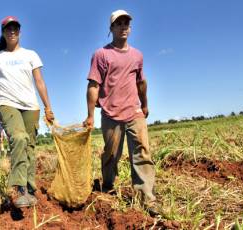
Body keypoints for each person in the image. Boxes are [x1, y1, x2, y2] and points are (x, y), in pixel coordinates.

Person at [83, 10, 158, 216]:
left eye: (126, 23)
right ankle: (107, 186)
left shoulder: (137, 55)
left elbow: (141, 82)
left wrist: (144, 104)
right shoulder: (101, 55)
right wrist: (90, 115)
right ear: (111, 29)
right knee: (111, 155)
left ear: (130, 28)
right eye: (119, 23)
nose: (123, 26)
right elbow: (93, 85)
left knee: (142, 152)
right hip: (110, 113)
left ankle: (147, 198)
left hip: (134, 112)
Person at [0, 16, 55, 208]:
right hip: (7, 103)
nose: (12, 31)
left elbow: (40, 82)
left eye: (15, 28)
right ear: (3, 32)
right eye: (8, 28)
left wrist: (48, 107)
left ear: (19, 32)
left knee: (29, 147)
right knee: (19, 138)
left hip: (31, 106)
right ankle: (20, 188)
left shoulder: (31, 55)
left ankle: (30, 189)